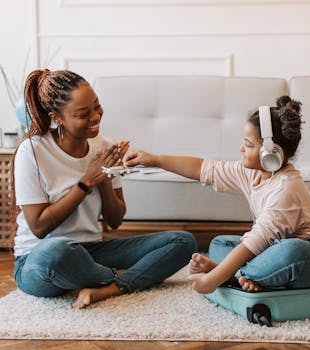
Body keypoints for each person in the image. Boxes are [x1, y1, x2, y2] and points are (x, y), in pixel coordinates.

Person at [124, 96, 310, 294]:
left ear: (270, 153)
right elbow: (203, 169)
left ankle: (232, 275)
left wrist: (210, 280)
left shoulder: (286, 188)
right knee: (219, 243)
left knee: (291, 252)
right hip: (272, 250)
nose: (242, 148)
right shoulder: (250, 173)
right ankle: (254, 276)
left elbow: (256, 241)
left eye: (248, 144)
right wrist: (153, 159)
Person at [10, 69, 197, 308]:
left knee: (183, 242)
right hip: (38, 260)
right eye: (83, 114)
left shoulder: (104, 147)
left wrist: (106, 177)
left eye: (97, 107)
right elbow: (38, 226)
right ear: (57, 118)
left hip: (91, 251)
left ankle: (109, 287)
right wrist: (86, 182)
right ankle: (115, 276)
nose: (95, 116)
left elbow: (115, 220)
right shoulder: (33, 151)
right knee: (56, 251)